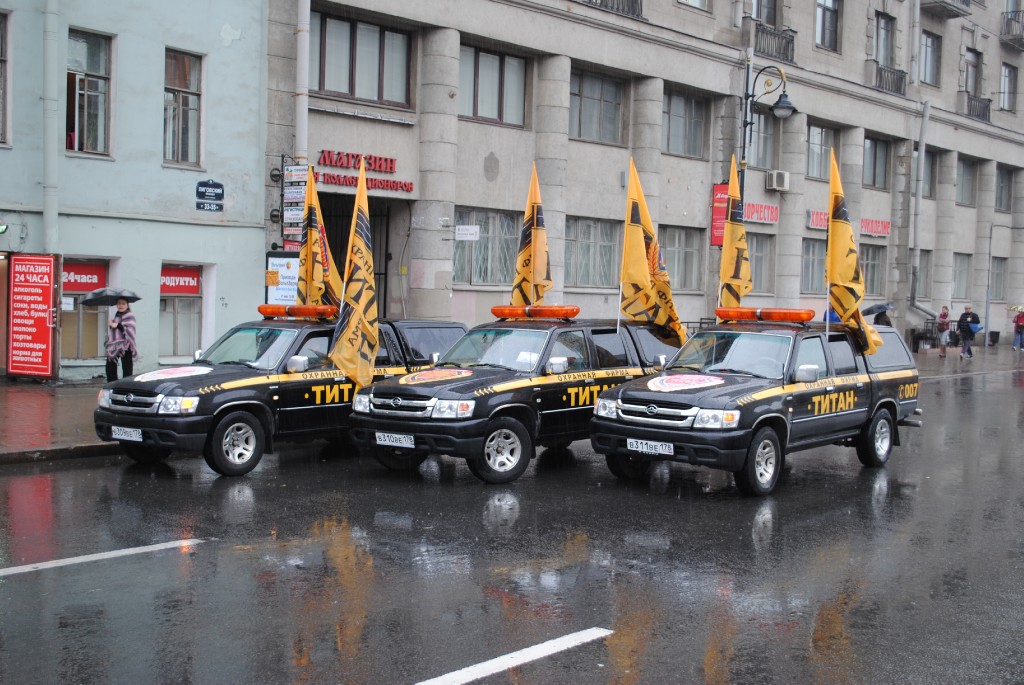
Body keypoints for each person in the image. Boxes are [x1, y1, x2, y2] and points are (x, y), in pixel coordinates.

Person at [105, 297, 138, 381]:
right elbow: (114, 331)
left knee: (127, 368)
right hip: (115, 345)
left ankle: (127, 385)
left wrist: (117, 325)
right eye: (119, 303)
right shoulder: (116, 315)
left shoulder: (130, 315)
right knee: (110, 366)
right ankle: (112, 384)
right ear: (116, 305)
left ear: (127, 305)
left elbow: (129, 330)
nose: (121, 305)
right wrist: (111, 324)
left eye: (123, 304)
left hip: (126, 345)